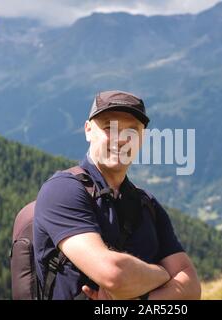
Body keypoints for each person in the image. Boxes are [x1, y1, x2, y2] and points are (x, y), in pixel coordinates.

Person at [33, 90, 201, 300]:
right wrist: (164, 274)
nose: (120, 140)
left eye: (131, 131)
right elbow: (114, 275)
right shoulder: (62, 190)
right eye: (109, 128)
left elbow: (192, 287)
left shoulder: (147, 205)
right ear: (88, 130)